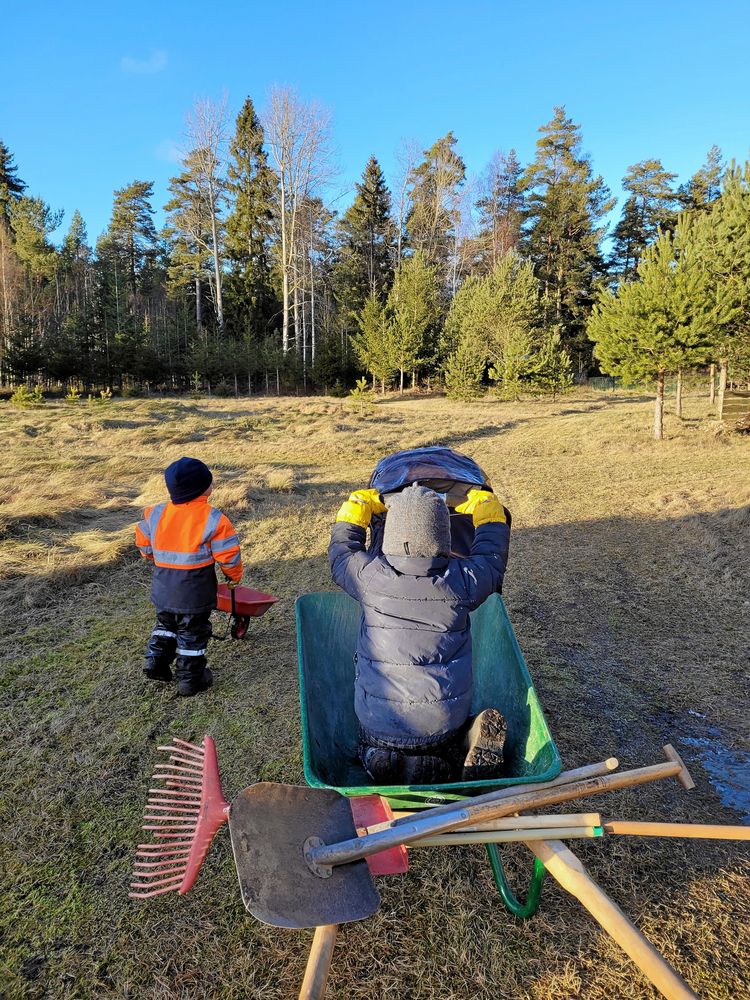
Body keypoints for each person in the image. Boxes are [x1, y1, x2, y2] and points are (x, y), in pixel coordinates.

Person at [328, 482, 510, 784]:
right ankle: (452, 756)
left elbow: (341, 552)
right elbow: (492, 557)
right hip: (440, 724)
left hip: (378, 722)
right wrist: (487, 513)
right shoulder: (462, 582)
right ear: (444, 537)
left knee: (369, 735)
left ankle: (374, 757)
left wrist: (357, 510)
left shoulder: (368, 578)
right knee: (444, 730)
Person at [135, 457, 243, 696]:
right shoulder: (213, 518)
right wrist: (232, 577)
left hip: (163, 586)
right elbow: (229, 556)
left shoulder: (155, 512)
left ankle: (155, 661)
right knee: (193, 633)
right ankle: (190, 680)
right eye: (209, 482)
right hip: (195, 592)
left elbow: (143, 542)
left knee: (165, 624)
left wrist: (154, 558)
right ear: (203, 488)